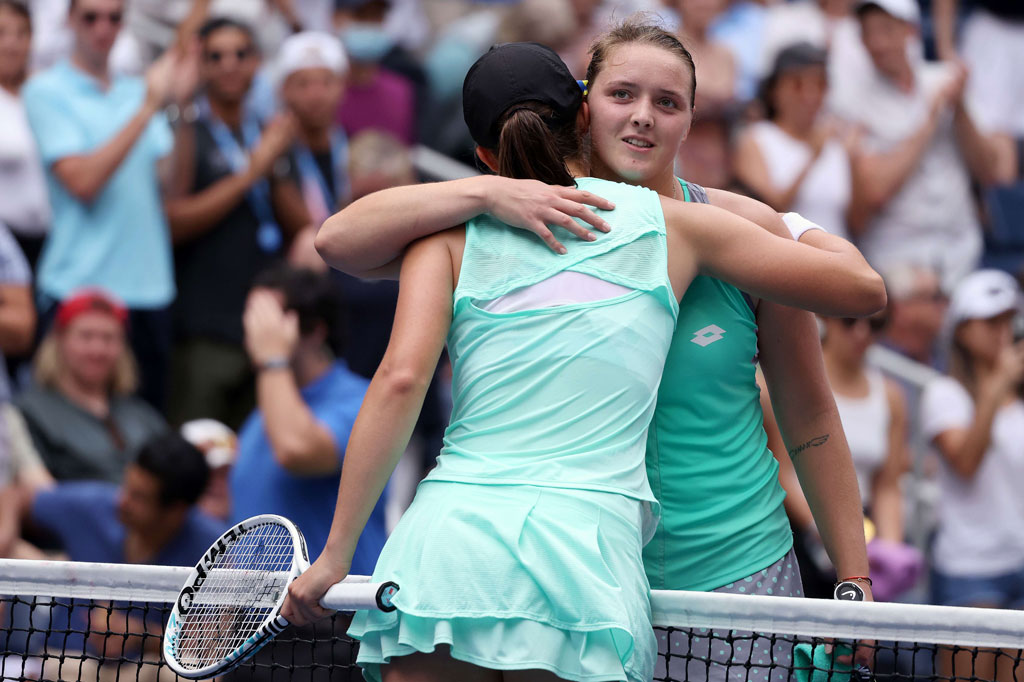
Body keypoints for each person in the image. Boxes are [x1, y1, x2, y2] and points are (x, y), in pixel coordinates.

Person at [284, 41, 883, 682]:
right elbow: (339, 241)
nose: (644, 116)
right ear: (583, 109)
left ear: (691, 118)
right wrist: (489, 193)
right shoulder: (497, 223)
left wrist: (853, 578)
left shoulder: (724, 224)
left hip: (728, 571)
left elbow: (825, 380)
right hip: (589, 572)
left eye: (669, 102)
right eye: (622, 94)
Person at [21, 0, 195, 410]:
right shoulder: (46, 90)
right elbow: (83, 182)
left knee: (147, 432)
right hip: (79, 284)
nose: (104, 27)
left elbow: (173, 189)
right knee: (73, 434)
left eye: (114, 17)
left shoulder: (137, 92)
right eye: (91, 17)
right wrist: (148, 108)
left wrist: (181, 107)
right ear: (69, 20)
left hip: (149, 288)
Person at [166, 16, 309, 429]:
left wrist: (274, 164)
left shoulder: (268, 133)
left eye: (241, 54)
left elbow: (301, 226)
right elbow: (174, 220)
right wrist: (253, 170)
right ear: (202, 65)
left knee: (257, 461)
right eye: (216, 56)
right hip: (204, 327)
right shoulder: (188, 130)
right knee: (197, 452)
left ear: (257, 63)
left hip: (266, 327)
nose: (230, 65)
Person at [830, 0, 1014, 292]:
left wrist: (960, 108)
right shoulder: (851, 103)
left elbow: (992, 171)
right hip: (896, 263)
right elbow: (874, 191)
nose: (877, 43)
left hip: (962, 257)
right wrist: (930, 121)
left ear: (910, 31)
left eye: (885, 30)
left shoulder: (944, 81)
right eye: (868, 33)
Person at [231, 265, 386, 569]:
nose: (254, 334)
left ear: (315, 331)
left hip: (332, 612)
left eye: (268, 322)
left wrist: (273, 360)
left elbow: (297, 450)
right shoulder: (265, 410)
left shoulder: (362, 401)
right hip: (259, 612)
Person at [921, 270, 1024, 682]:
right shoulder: (943, 394)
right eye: (990, 322)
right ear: (961, 330)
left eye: (1007, 321)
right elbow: (965, 463)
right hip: (969, 573)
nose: (1002, 332)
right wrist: (998, 383)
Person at [15, 290, 167, 483]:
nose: (97, 349)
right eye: (86, 336)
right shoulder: (29, 412)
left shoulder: (143, 416)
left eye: (109, 338)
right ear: (60, 341)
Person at [27, 431, 219, 565]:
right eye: (126, 486)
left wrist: (135, 626)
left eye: (139, 497)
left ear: (176, 511)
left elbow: (218, 624)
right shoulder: (92, 504)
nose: (121, 501)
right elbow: (18, 497)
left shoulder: (216, 553)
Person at [734, 42, 862, 239]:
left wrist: (854, 162)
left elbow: (856, 223)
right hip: (790, 260)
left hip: (838, 257)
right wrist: (811, 158)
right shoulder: (756, 139)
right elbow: (766, 212)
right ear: (774, 90)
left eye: (820, 85)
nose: (810, 96)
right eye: (797, 84)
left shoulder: (836, 143)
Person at [276, 31, 351, 230]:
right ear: (284, 90)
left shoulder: (355, 144)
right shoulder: (274, 152)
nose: (316, 95)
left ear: (342, 87)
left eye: (326, 82)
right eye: (303, 84)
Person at [0, 0, 50, 270]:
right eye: (2, 33)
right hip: (4, 244)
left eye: (22, 34)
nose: (12, 44)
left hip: (48, 239)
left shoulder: (43, 92)